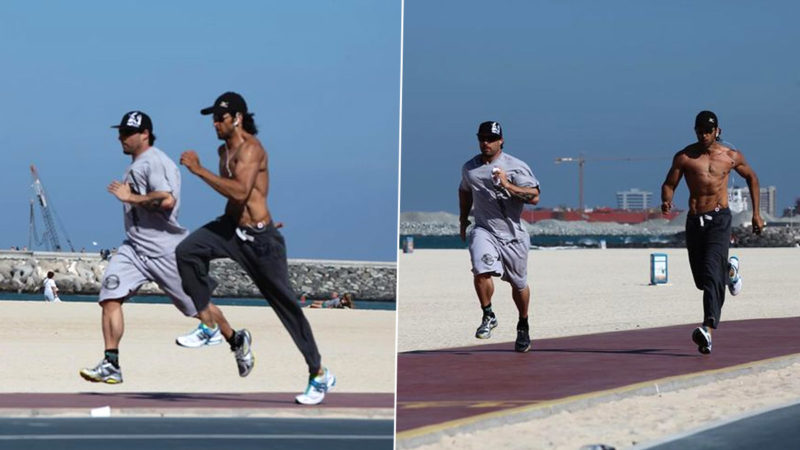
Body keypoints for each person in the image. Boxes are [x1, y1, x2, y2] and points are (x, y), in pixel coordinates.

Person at [176, 92, 335, 405]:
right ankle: (209, 324)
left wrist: (198, 170)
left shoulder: (252, 149)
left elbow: (240, 190)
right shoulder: (223, 150)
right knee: (187, 252)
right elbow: (235, 200)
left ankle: (318, 374)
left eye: (220, 118)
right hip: (230, 228)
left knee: (286, 306)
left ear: (236, 118)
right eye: (212, 119)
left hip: (261, 241)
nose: (214, 125)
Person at [79, 111, 239, 384]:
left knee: (200, 308)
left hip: (165, 249)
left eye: (128, 133)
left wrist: (131, 197)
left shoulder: (155, 162)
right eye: (121, 132)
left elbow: (165, 200)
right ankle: (111, 363)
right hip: (134, 247)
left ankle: (236, 339)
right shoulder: (137, 163)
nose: (122, 138)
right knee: (109, 296)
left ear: (145, 134)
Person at [661, 110, 764, 355]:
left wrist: (756, 214)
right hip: (695, 221)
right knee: (702, 280)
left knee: (710, 277)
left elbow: (752, 178)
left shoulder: (730, 156)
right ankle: (730, 271)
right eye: (699, 130)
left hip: (719, 218)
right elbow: (669, 184)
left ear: (717, 131)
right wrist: (666, 200)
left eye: (708, 130)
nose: (703, 135)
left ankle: (707, 329)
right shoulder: (685, 157)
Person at [458, 121, 541, 353]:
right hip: (484, 229)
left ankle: (523, 323)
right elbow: (465, 191)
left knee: (519, 284)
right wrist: (463, 220)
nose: (485, 143)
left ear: (501, 141)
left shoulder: (516, 166)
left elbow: (534, 197)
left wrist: (508, 185)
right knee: (480, 269)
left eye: (490, 139)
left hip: (513, 235)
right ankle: (488, 314)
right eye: (482, 138)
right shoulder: (470, 168)